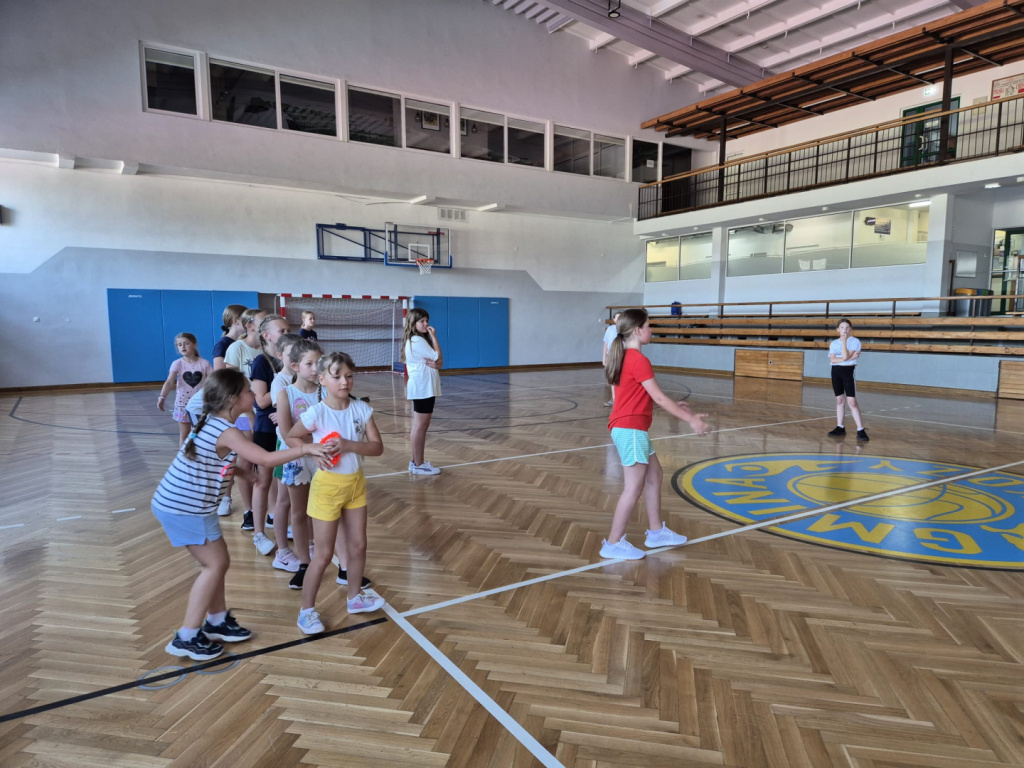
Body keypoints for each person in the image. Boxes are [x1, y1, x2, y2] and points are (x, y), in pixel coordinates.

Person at [152, 368, 334, 661]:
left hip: (189, 505)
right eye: (248, 390)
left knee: (218, 562)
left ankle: (217, 620)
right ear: (232, 399)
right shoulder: (227, 431)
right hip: (184, 507)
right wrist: (306, 449)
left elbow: (210, 460)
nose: (253, 394)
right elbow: (265, 458)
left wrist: (241, 473)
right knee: (214, 565)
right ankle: (187, 636)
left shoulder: (212, 423)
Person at [601, 308, 712, 561]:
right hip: (630, 430)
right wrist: (691, 420)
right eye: (649, 325)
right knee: (633, 488)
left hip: (631, 428)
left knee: (655, 475)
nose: (651, 330)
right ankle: (613, 543)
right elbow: (660, 398)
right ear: (638, 330)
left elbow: (639, 396)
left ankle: (656, 532)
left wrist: (675, 405)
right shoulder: (638, 359)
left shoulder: (624, 357)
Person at [287, 352, 385, 633]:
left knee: (358, 546)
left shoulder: (362, 410)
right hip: (327, 488)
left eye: (349, 376)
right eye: (337, 376)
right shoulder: (317, 412)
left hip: (355, 485)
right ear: (321, 379)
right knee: (323, 553)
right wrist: (311, 451)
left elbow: (377, 448)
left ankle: (355, 598)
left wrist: (349, 445)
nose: (344, 381)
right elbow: (292, 436)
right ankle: (306, 611)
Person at [275, 337, 322, 590]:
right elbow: (286, 433)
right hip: (296, 458)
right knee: (299, 512)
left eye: (319, 363)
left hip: (322, 457)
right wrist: (311, 446)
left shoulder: (326, 391)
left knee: (325, 510)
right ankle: (304, 562)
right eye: (309, 364)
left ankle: (338, 562)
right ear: (295, 367)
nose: (315, 369)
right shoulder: (286, 394)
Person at [248, 314, 290, 557]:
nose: (286, 333)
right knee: (263, 481)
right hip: (266, 427)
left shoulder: (290, 359)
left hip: (287, 428)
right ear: (266, 336)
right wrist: (283, 397)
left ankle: (284, 522)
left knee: (285, 479)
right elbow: (261, 401)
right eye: (281, 331)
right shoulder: (261, 362)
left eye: (288, 329)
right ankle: (259, 533)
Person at [224, 308, 266, 532]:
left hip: (265, 414)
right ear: (250, 326)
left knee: (265, 462)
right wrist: (249, 413)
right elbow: (231, 384)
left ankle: (269, 510)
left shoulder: (268, 349)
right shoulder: (237, 348)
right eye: (263, 322)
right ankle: (249, 510)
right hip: (244, 414)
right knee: (247, 461)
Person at [210, 304, 248, 515]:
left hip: (243, 404)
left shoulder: (244, 343)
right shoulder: (224, 345)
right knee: (228, 454)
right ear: (235, 321)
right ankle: (225, 496)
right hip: (228, 407)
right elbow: (220, 378)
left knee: (241, 453)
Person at [401, 308, 443, 475]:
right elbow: (437, 356)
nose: (426, 324)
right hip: (423, 387)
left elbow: (439, 363)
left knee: (419, 426)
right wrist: (434, 336)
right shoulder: (418, 340)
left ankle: (415, 462)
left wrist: (437, 363)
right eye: (422, 321)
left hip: (423, 386)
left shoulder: (415, 340)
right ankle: (419, 464)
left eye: (427, 320)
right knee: (420, 426)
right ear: (413, 323)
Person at [158, 333, 212, 446]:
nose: (183, 346)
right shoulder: (177, 364)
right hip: (182, 404)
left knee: (200, 433)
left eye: (186, 343)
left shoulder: (204, 363)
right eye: (179, 345)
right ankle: (183, 456)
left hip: (199, 404)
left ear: (194, 345)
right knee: (184, 434)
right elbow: (169, 381)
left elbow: (213, 380)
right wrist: (162, 397)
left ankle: (198, 454)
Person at [828, 318, 869, 442]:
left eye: (847, 328)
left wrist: (844, 343)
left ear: (850, 329)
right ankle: (840, 427)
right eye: (842, 327)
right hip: (835, 372)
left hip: (848, 372)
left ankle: (860, 429)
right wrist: (848, 358)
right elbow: (833, 360)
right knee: (840, 400)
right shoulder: (833, 343)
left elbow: (845, 356)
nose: (844, 330)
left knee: (852, 401)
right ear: (837, 329)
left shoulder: (855, 341)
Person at [212, 304, 247, 370]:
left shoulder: (244, 341)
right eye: (246, 319)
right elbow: (219, 373)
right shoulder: (222, 345)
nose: (249, 322)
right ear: (235, 321)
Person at [601, 311, 622, 407]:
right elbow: (606, 344)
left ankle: (621, 399)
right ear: (614, 320)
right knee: (613, 378)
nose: (619, 319)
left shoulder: (625, 329)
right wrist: (604, 357)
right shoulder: (610, 329)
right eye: (618, 317)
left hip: (621, 355)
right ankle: (614, 399)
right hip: (611, 356)